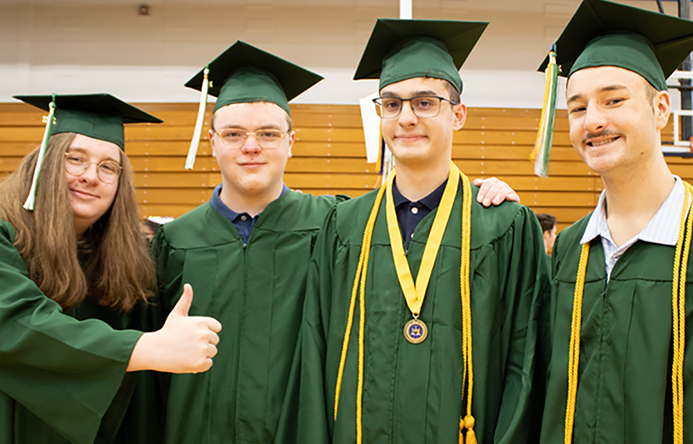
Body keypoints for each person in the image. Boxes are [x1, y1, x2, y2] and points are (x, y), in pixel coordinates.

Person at [148, 40, 521, 444]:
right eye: (234, 133)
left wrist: (483, 192)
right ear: (212, 141)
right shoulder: (174, 241)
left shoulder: (330, 225)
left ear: (291, 141)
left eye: (268, 133)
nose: (251, 146)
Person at [281, 19, 549, 444]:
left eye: (425, 102)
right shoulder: (344, 227)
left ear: (458, 115)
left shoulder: (504, 226)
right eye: (391, 104)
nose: (406, 117)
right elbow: (313, 356)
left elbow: (527, 361)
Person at [0, 93, 222, 444]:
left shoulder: (121, 259)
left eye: (108, 167)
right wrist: (147, 349)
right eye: (75, 159)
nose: (91, 176)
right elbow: (16, 323)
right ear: (44, 161)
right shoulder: (4, 236)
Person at [536, 1, 693, 443]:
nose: (594, 120)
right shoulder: (568, 250)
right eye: (578, 107)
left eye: (614, 100)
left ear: (662, 108)